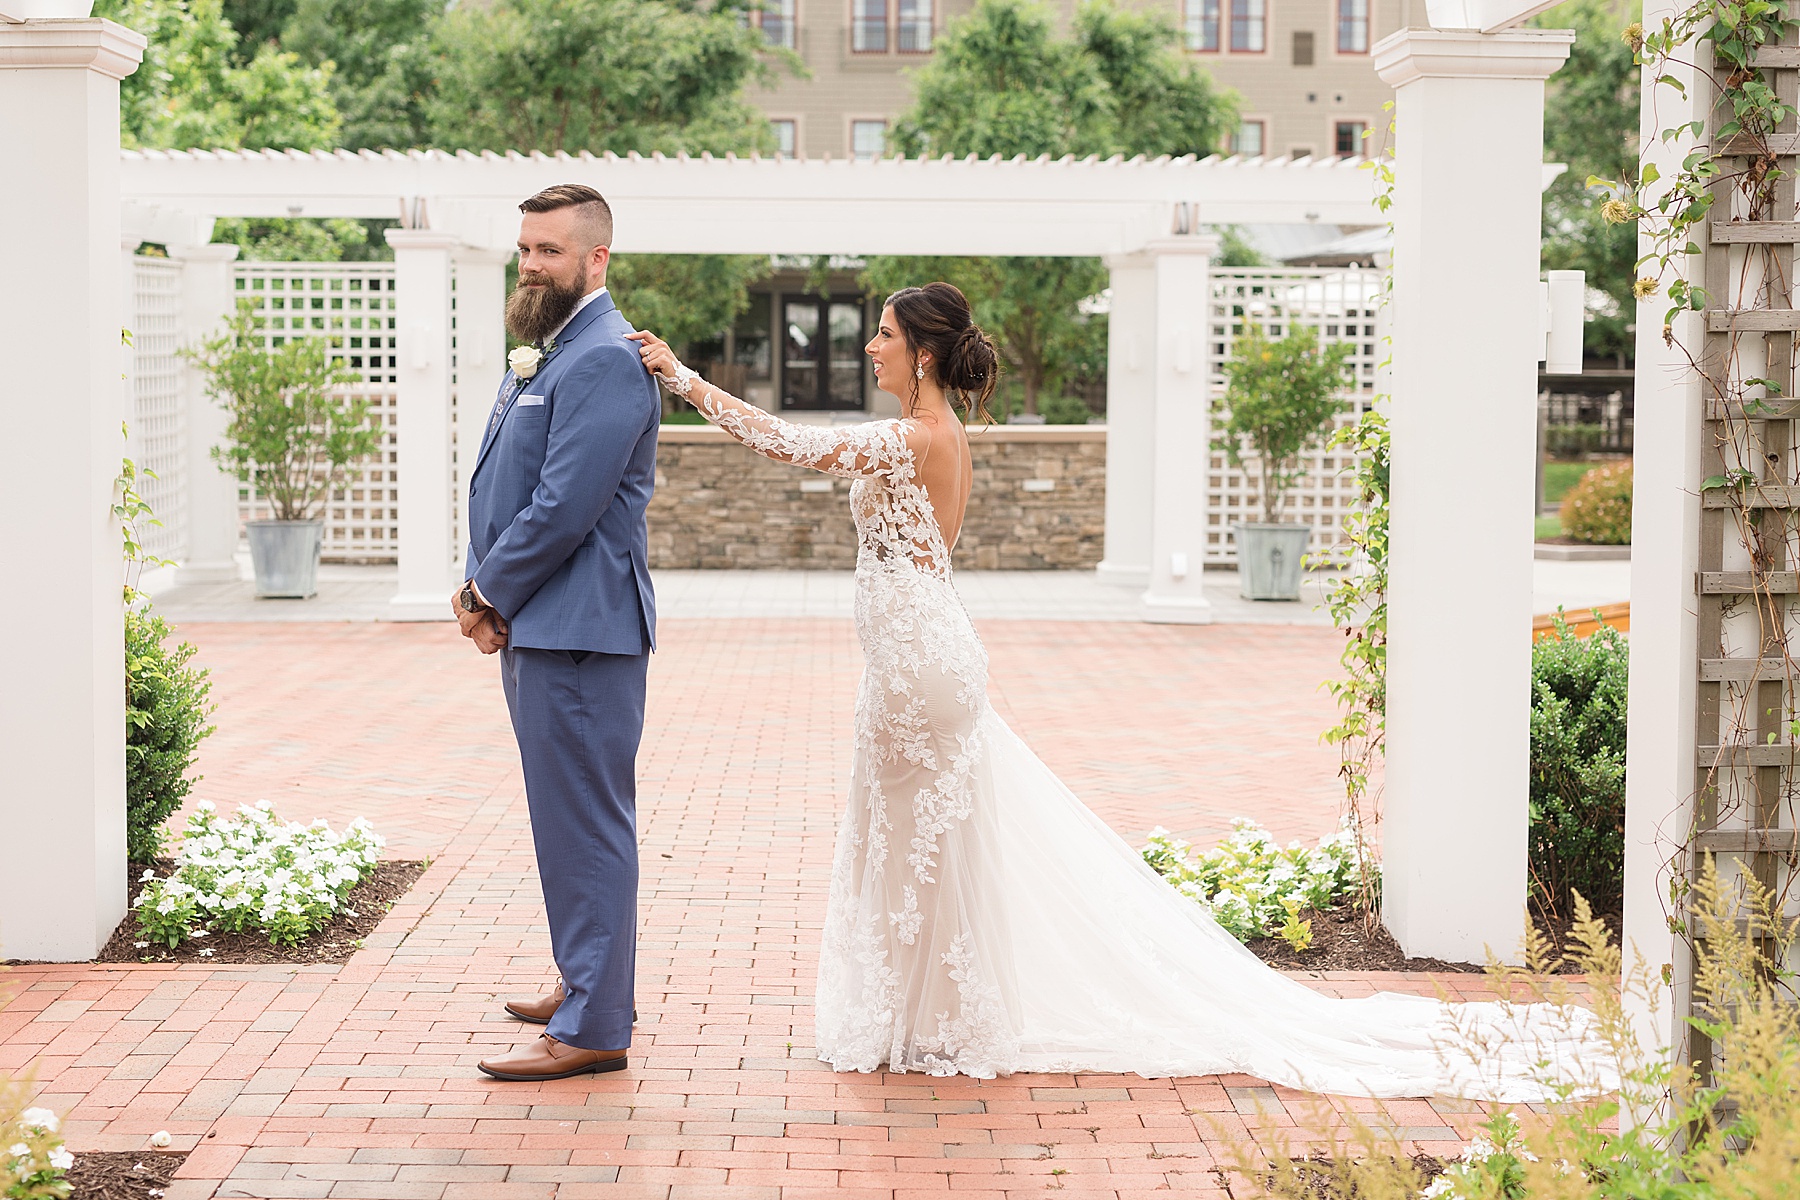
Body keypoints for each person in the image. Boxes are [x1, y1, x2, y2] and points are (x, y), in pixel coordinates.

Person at [627, 283, 1609, 1099]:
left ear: (921, 353)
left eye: (884, 334)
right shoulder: (929, 430)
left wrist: (683, 378)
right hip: (917, 656)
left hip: (921, 665)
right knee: (913, 840)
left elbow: (791, 446)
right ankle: (919, 1019)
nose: (873, 347)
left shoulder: (921, 437)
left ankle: (938, 1024)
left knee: (920, 839)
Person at [455, 183, 659, 1082]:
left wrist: (484, 590)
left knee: (586, 824)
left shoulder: (606, 358)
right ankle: (586, 981)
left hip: (580, 629)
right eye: (526, 247)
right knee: (563, 819)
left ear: (596, 259)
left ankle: (593, 1026)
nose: (531, 263)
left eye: (549, 250)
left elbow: (564, 506)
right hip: (547, 623)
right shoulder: (552, 349)